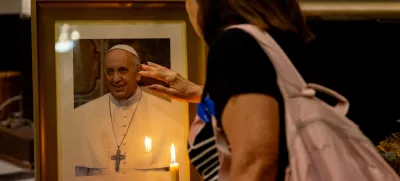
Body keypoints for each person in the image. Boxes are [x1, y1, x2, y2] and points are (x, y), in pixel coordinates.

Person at [141, 0, 314, 180]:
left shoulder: (237, 45)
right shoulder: (286, 44)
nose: (187, 6)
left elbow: (256, 162)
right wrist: (201, 93)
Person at [74, 44, 183, 181]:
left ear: (138, 73)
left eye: (122, 70)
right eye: (110, 72)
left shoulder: (166, 113)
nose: (115, 78)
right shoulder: (83, 115)